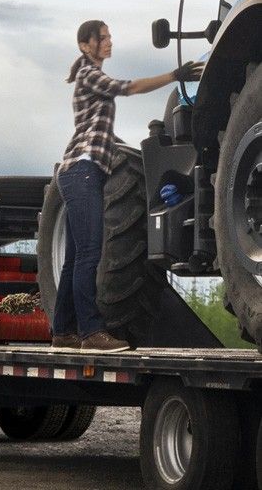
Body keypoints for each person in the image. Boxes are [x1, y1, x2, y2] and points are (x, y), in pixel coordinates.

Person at [52, 20, 203, 352]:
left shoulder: (89, 76)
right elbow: (130, 88)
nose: (109, 42)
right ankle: (91, 332)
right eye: (102, 38)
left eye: (109, 37)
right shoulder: (89, 75)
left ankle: (63, 331)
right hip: (83, 170)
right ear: (84, 45)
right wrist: (174, 77)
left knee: (75, 256)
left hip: (82, 170)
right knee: (90, 253)